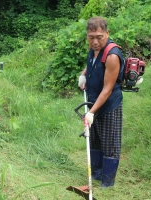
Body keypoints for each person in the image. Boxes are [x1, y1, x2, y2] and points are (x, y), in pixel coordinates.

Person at [78, 17, 124, 188]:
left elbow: (107, 89)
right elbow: (92, 64)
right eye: (91, 37)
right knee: (95, 139)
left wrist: (91, 112)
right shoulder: (93, 48)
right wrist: (84, 74)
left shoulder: (112, 56)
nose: (95, 41)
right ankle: (96, 175)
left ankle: (107, 182)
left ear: (107, 33)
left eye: (99, 37)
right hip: (93, 101)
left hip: (109, 105)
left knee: (110, 143)